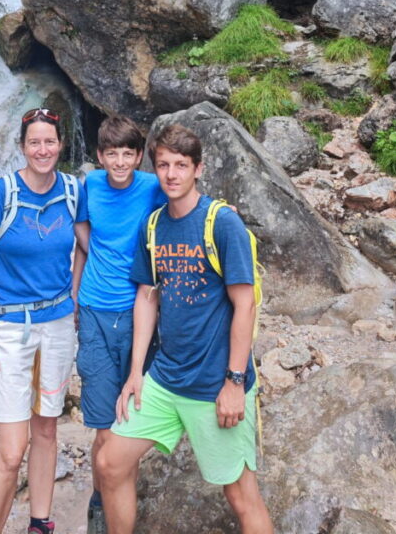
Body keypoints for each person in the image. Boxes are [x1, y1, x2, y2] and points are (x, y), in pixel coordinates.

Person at [98, 124, 273, 534]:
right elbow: (146, 297)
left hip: (213, 384)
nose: (171, 174)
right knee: (110, 462)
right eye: (163, 165)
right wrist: (136, 373)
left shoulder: (222, 223)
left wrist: (234, 382)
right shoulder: (155, 225)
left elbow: (244, 304)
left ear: (198, 169)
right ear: (154, 169)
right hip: (165, 379)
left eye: (181, 165)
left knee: (241, 495)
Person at [0, 107, 87, 534]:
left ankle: (41, 522)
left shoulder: (74, 191)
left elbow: (87, 247)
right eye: (34, 142)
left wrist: (72, 297)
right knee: (11, 451)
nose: (42, 149)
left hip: (56, 325)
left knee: (48, 431)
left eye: (49, 141)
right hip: (8, 329)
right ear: (22, 146)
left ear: (60, 145)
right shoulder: (0, 193)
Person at [73, 116, 166, 534]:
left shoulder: (150, 186)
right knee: (101, 422)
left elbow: (188, 201)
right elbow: (80, 225)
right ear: (99, 156)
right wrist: (96, 259)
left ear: (139, 156)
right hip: (94, 311)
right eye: (112, 153)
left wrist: (225, 213)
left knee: (131, 414)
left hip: (137, 314)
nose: (120, 161)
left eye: (128, 153)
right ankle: (100, 499)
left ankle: (117, 486)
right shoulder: (90, 185)